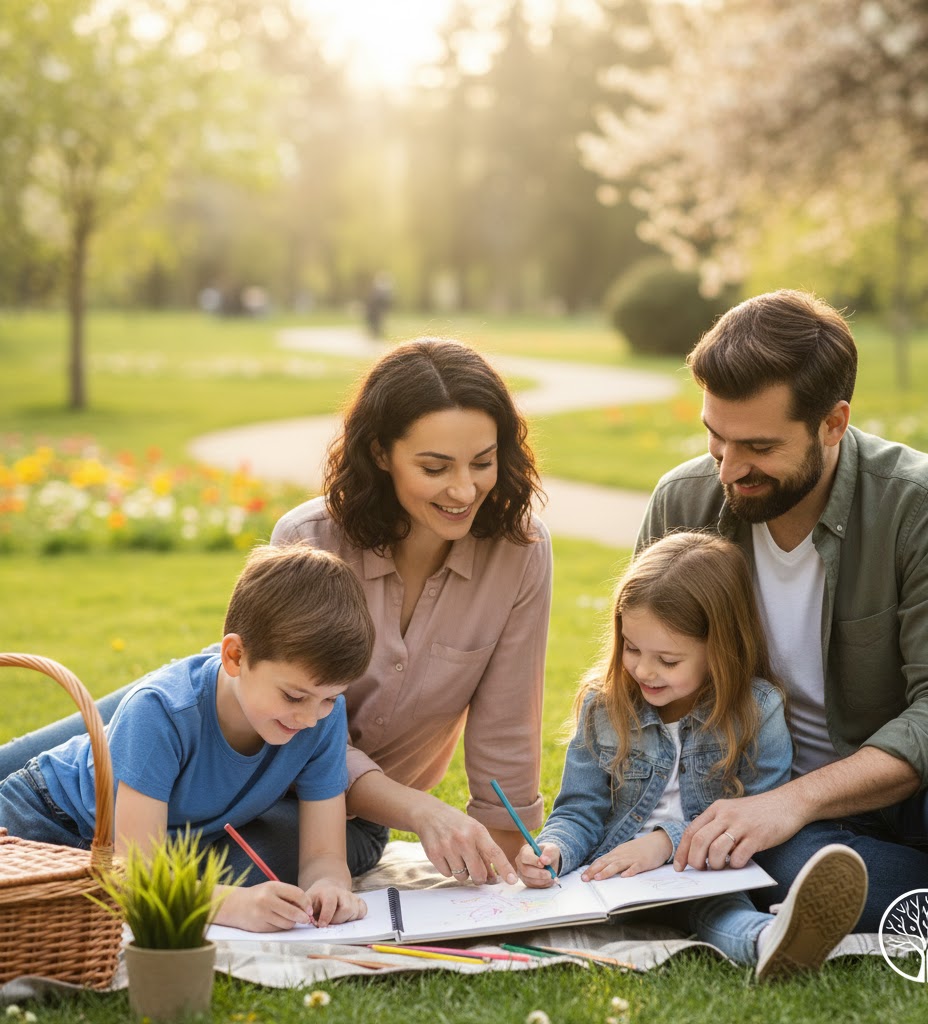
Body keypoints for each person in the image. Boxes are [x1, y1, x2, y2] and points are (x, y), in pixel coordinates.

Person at [0, 339, 552, 888]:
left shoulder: (520, 553)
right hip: (222, 739)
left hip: (329, 816)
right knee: (62, 764)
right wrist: (419, 809)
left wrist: (510, 856)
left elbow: (506, 729)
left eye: (484, 462)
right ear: (381, 453)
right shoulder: (310, 537)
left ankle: (64, 877)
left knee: (182, 870)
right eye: (435, 467)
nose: (464, 488)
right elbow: (250, 677)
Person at [638, 289, 928, 937]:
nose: (729, 470)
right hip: (776, 800)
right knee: (780, 867)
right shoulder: (683, 504)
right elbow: (646, 690)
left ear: (833, 424)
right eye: (715, 437)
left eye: (757, 446)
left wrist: (797, 800)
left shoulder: (926, 504)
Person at [516, 531, 867, 980]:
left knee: (722, 915)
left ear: (719, 650)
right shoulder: (603, 707)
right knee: (546, 914)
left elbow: (759, 815)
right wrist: (554, 850)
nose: (644, 670)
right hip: (607, 881)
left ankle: (774, 940)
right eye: (632, 648)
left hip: (701, 875)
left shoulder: (757, 711)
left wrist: (667, 842)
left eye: (667, 659)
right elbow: (579, 811)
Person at [0, 544, 374, 932]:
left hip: (152, 851)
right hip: (49, 820)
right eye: (294, 696)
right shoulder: (161, 711)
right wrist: (235, 905)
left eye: (329, 698)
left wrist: (328, 887)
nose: (311, 718)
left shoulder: (322, 721)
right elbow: (135, 876)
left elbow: (324, 855)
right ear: (234, 656)